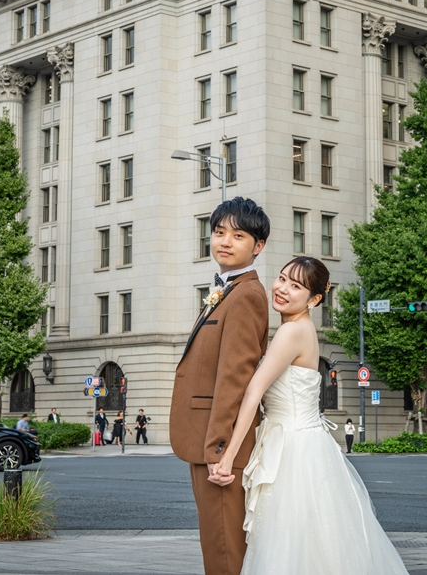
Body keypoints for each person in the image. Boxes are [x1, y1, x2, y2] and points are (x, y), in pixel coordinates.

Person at [213, 257, 408, 574]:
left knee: (290, 545)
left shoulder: (292, 332)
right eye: (282, 278)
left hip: (292, 449)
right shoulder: (300, 328)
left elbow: (254, 391)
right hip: (304, 445)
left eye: (296, 286)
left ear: (315, 299)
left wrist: (227, 455)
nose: (282, 288)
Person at [170, 197, 270, 575]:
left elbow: (235, 379)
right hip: (208, 440)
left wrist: (219, 450)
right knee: (217, 543)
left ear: (257, 246)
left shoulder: (245, 296)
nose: (225, 241)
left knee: (225, 549)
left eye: (238, 235)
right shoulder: (227, 291)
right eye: (219, 232)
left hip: (221, 448)